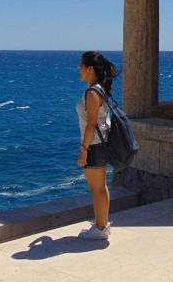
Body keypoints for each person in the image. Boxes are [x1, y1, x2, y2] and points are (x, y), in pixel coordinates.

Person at [76, 51, 118, 240]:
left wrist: (84, 150)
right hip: (101, 143)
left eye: (82, 66)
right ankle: (102, 225)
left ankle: (100, 229)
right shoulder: (101, 89)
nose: (79, 70)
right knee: (101, 187)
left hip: (94, 144)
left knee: (97, 188)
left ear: (90, 69)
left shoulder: (92, 92)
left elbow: (91, 123)